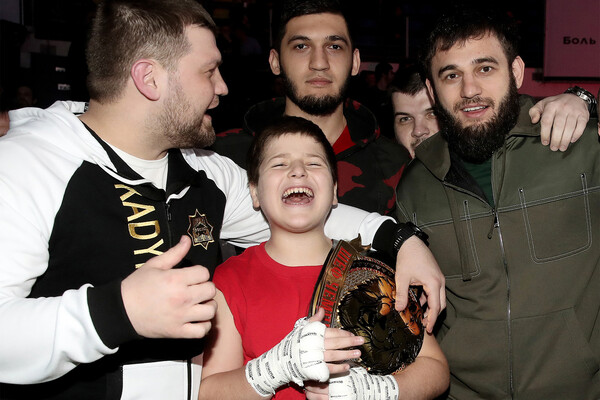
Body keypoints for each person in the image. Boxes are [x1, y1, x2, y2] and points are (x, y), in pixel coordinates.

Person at [0, 1, 444, 398]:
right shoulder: (28, 166)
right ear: (149, 78)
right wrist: (117, 310)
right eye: (208, 71)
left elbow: (305, 214)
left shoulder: (206, 173)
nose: (223, 87)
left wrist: (401, 240)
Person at [212, 0, 594, 216]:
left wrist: (582, 101)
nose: (319, 62)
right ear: (274, 61)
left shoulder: (402, 167)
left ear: (356, 61)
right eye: (300, 46)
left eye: (334, 46)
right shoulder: (222, 158)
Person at [394, 7, 599, 399]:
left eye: (485, 68)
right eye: (451, 75)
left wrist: (589, 101)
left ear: (516, 72)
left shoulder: (581, 145)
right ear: (432, 90)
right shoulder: (415, 185)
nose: (469, 89)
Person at [200, 116, 449, 400]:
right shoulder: (229, 280)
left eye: (313, 163)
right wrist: (271, 369)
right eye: (279, 164)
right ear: (254, 193)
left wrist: (377, 391)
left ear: (333, 192)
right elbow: (209, 392)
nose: (298, 171)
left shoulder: (374, 269)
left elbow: (435, 368)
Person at [389, 65, 594, 159]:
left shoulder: (487, 157)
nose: (418, 131)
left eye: (432, 114)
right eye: (405, 119)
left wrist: (581, 100)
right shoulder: (389, 188)